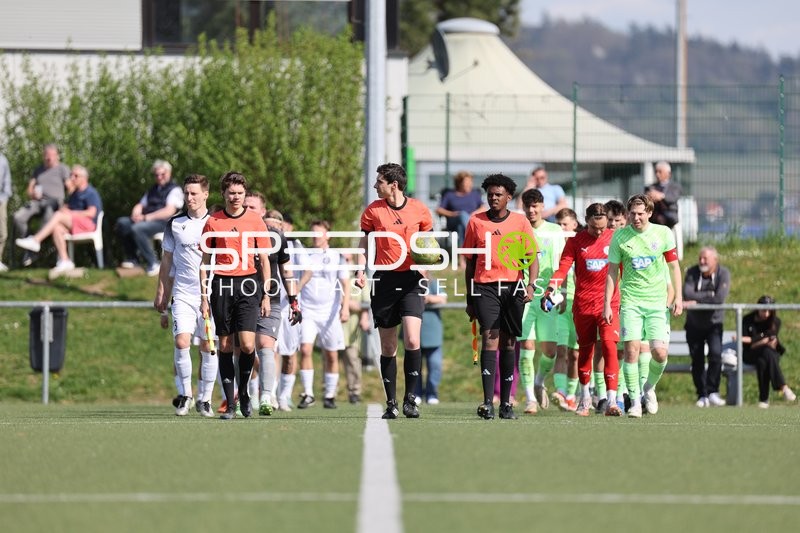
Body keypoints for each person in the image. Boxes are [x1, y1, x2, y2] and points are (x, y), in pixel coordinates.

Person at [354, 163, 433, 419]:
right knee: (388, 346)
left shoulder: (419, 209)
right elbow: (363, 244)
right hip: (385, 280)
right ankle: (391, 402)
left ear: (393, 185)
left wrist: (426, 269)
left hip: (411, 281)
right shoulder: (373, 211)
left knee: (412, 339)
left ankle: (411, 399)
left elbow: (427, 244)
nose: (375, 185)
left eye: (379, 181)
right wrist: (360, 270)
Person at [464, 173, 537, 420]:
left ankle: (506, 403)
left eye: (498, 194)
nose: (494, 198)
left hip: (513, 288)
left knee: (508, 342)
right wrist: (470, 299)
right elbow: (470, 263)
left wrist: (531, 286)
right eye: (490, 194)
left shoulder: (520, 222)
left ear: (508, 197)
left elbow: (532, 257)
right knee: (490, 339)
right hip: (485, 288)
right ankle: (488, 403)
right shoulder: (476, 222)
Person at [603, 194, 683, 418]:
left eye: (640, 214)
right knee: (631, 351)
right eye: (632, 214)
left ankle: (649, 387)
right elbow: (611, 273)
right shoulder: (620, 237)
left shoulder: (663, 233)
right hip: (631, 302)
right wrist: (607, 303)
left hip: (657, 303)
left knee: (660, 352)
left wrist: (678, 297)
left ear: (649, 212)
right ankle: (635, 401)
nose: (636, 218)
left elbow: (674, 267)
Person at [199, 172, 271, 420]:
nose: (236, 197)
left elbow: (264, 259)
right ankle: (231, 403)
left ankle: (245, 393)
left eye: (240, 193)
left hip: (249, 284)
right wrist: (203, 296)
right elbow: (205, 261)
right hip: (221, 284)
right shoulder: (213, 222)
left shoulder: (255, 220)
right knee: (226, 345)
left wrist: (266, 294)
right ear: (224, 194)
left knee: (248, 344)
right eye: (232, 193)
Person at [544, 203, 622, 416]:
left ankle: (612, 401)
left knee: (609, 346)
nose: (599, 232)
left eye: (602, 228)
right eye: (594, 227)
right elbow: (563, 268)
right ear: (586, 221)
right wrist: (552, 287)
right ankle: (585, 397)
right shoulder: (576, 242)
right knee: (584, 351)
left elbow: (623, 270)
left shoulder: (615, 238)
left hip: (609, 304)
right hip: (583, 305)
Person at [153, 174, 218, 417]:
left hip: (212, 295)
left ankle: (205, 398)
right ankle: (186, 395)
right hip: (183, 293)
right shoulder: (174, 223)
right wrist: (161, 292)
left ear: (205, 194)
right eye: (186, 193)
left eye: (193, 193)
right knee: (181, 341)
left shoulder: (215, 223)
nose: (189, 198)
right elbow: (167, 261)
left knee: (208, 346)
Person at [242, 194, 302, 416]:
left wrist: (294, 301)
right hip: (240, 297)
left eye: (253, 206)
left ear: (263, 210)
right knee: (244, 348)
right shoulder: (234, 232)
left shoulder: (276, 236)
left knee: (266, 345)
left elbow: (287, 270)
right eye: (245, 205)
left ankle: (267, 395)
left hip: (271, 298)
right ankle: (242, 396)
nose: (248, 209)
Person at [518, 188, 565, 414]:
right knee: (526, 346)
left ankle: (539, 381)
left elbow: (563, 265)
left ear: (542, 206)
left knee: (549, 351)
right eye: (527, 206)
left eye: (535, 206)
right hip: (524, 296)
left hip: (547, 297)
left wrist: (560, 292)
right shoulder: (517, 229)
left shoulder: (555, 231)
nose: (531, 210)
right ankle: (530, 399)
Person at [297, 220, 349, 409]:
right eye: (313, 233)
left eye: (319, 233)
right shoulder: (306, 255)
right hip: (308, 311)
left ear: (328, 235)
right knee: (305, 350)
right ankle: (308, 393)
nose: (316, 237)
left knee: (332, 355)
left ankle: (329, 395)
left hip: (330, 311)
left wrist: (345, 307)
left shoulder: (337, 257)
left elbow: (345, 283)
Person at [15, 165, 102, 273]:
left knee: (58, 216)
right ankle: (65, 261)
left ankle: (36, 240)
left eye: (76, 176)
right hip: (75, 224)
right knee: (56, 227)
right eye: (71, 175)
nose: (72, 178)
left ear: (84, 178)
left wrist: (70, 213)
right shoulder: (74, 194)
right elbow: (67, 207)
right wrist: (63, 209)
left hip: (88, 225)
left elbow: (91, 213)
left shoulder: (90, 192)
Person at [683, 246, 731, 407]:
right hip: (694, 325)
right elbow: (687, 294)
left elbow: (719, 298)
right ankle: (701, 394)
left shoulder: (723, 274)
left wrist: (697, 301)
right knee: (696, 359)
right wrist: (708, 295)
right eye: (700, 258)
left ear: (715, 260)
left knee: (716, 355)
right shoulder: (691, 272)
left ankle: (713, 391)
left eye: (706, 259)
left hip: (714, 324)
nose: (702, 261)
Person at [116, 160, 183, 276]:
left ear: (169, 173)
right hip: (147, 220)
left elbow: (169, 211)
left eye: (162, 174)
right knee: (122, 223)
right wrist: (136, 212)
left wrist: (146, 217)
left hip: (164, 222)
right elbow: (141, 204)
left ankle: (153, 263)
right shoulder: (153, 189)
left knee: (138, 228)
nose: (159, 177)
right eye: (157, 175)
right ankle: (133, 259)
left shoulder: (175, 189)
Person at [13, 144, 71, 266]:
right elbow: (29, 190)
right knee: (18, 217)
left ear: (57, 156)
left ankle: (36, 242)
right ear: (43, 156)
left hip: (55, 202)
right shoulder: (38, 170)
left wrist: (69, 202)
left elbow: (70, 187)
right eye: (46, 155)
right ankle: (31, 249)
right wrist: (32, 193)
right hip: (38, 202)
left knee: (49, 212)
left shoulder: (62, 169)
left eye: (51, 156)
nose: (48, 158)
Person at [741, 295, 796, 408]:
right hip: (750, 354)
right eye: (764, 310)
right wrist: (760, 341)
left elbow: (769, 338)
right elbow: (746, 342)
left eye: (769, 310)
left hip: (768, 354)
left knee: (763, 359)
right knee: (766, 352)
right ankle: (783, 387)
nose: (766, 313)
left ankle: (763, 400)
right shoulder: (747, 320)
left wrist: (753, 341)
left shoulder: (775, 321)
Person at [435, 170, 484, 265]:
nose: (469, 184)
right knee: (462, 216)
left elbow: (483, 207)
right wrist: (453, 214)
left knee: (461, 228)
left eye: (470, 182)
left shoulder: (475, 194)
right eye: (466, 182)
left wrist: (473, 214)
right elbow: (439, 210)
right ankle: (472, 246)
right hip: (453, 222)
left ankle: (462, 259)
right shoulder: (450, 195)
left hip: (468, 222)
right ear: (459, 183)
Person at [340, 253, 370, 404]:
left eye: (348, 259)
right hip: (334, 326)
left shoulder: (357, 281)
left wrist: (364, 318)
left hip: (351, 329)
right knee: (329, 359)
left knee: (353, 360)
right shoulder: (335, 278)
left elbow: (365, 303)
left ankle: (354, 392)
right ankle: (328, 392)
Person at [416, 270, 447, 404]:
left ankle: (431, 393)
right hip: (415, 332)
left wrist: (428, 298)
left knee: (435, 365)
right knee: (415, 366)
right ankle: (415, 393)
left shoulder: (433, 284)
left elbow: (443, 298)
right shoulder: (409, 283)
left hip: (433, 333)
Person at [645, 161, 682, 260]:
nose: (657, 174)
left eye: (660, 172)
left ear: (668, 174)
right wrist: (651, 197)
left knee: (661, 219)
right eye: (656, 171)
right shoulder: (650, 187)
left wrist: (661, 196)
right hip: (654, 215)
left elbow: (673, 198)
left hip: (669, 215)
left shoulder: (675, 187)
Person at [0, 151, 11, 271]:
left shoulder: (3, 160)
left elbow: (7, 183)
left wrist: (3, 198)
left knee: (2, 232)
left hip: (1, 200)